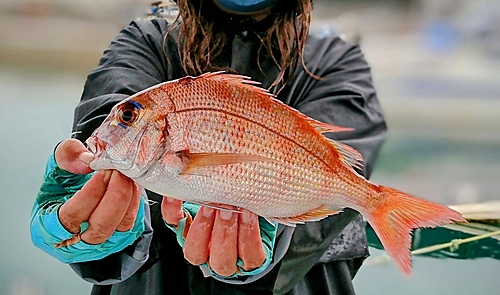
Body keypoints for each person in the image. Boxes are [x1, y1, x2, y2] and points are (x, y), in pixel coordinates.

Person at [30, 0, 387, 294]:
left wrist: (275, 236)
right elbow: (110, 107)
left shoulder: (337, 61)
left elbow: (338, 170)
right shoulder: (144, 40)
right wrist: (95, 206)